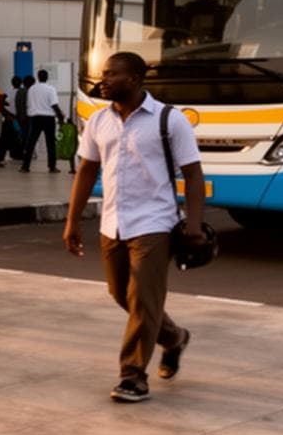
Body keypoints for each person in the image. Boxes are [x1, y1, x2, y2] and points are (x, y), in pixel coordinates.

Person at [64, 51, 205, 403]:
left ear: (135, 79)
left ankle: (132, 376)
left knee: (143, 298)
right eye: (104, 73)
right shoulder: (99, 121)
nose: (104, 80)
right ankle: (174, 337)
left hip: (155, 222)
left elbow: (193, 173)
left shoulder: (169, 120)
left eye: (112, 74)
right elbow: (87, 171)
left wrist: (194, 226)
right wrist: (72, 220)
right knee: (121, 294)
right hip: (112, 223)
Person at [22, 69, 67, 174]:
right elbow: (54, 105)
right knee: (50, 143)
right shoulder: (51, 89)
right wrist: (60, 117)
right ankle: (52, 167)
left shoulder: (31, 89)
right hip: (48, 119)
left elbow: (28, 104)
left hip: (35, 118)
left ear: (38, 77)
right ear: (47, 77)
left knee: (31, 142)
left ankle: (25, 167)